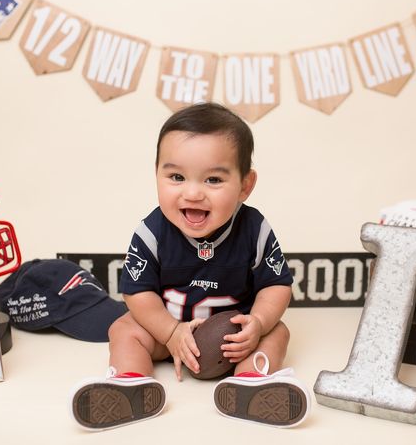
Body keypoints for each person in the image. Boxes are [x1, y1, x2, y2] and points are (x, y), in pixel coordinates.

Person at [70, 103, 309, 430]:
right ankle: (131, 383)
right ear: (156, 174)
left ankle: (252, 381)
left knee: (277, 330)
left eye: (213, 179)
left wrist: (258, 322)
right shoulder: (152, 232)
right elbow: (137, 293)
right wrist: (169, 332)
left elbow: (276, 285)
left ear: (245, 186)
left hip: (234, 342)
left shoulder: (254, 229)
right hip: (166, 335)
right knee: (124, 329)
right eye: (176, 177)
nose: (193, 192)